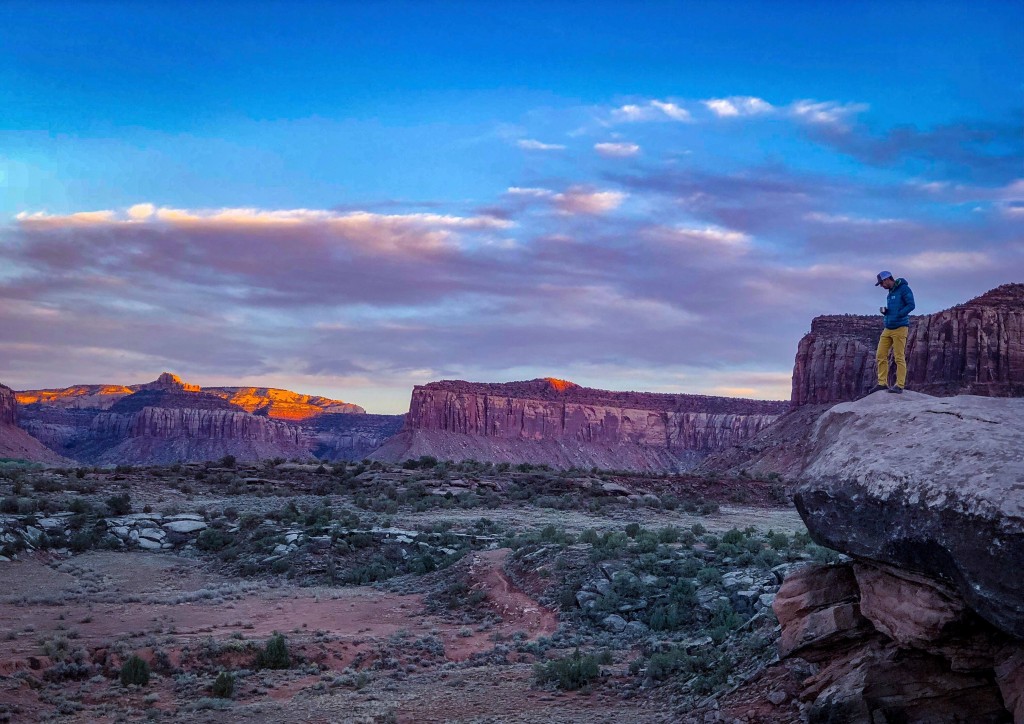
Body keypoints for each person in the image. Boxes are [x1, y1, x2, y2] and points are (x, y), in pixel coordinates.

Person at [872, 271, 915, 394]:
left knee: (898, 357)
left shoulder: (904, 288)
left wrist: (898, 315)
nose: (881, 286)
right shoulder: (890, 293)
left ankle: (899, 385)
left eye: (881, 283)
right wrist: (887, 312)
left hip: (900, 327)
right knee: (880, 354)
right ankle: (882, 383)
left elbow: (911, 305)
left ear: (887, 279)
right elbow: (895, 308)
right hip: (888, 327)